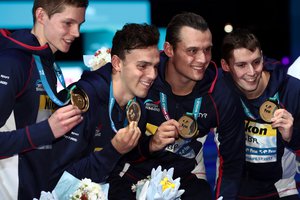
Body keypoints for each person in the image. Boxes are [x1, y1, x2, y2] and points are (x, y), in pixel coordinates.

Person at [107, 12, 245, 200]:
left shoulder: (222, 92)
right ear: (169, 50)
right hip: (133, 170)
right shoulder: (145, 78)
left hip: (185, 177)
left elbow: (232, 161)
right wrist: (151, 144)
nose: (203, 59)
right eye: (192, 51)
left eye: (207, 50)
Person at [45, 22, 160, 193]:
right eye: (142, 66)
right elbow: (57, 179)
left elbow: (116, 172)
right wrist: (113, 150)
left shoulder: (137, 111)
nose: (152, 75)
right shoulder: (82, 102)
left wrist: (151, 144)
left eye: (155, 66)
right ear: (117, 63)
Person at [0, 0, 88, 199]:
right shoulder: (12, 63)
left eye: (79, 25)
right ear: (41, 16)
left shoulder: (43, 59)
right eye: (68, 23)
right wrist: (47, 130)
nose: (76, 33)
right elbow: (41, 129)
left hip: (35, 189)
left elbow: (32, 116)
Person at [220, 28, 300, 199]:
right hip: (234, 189)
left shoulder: (291, 89)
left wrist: (291, 136)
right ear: (226, 66)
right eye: (241, 65)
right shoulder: (219, 90)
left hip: (281, 189)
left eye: (256, 62)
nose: (252, 72)